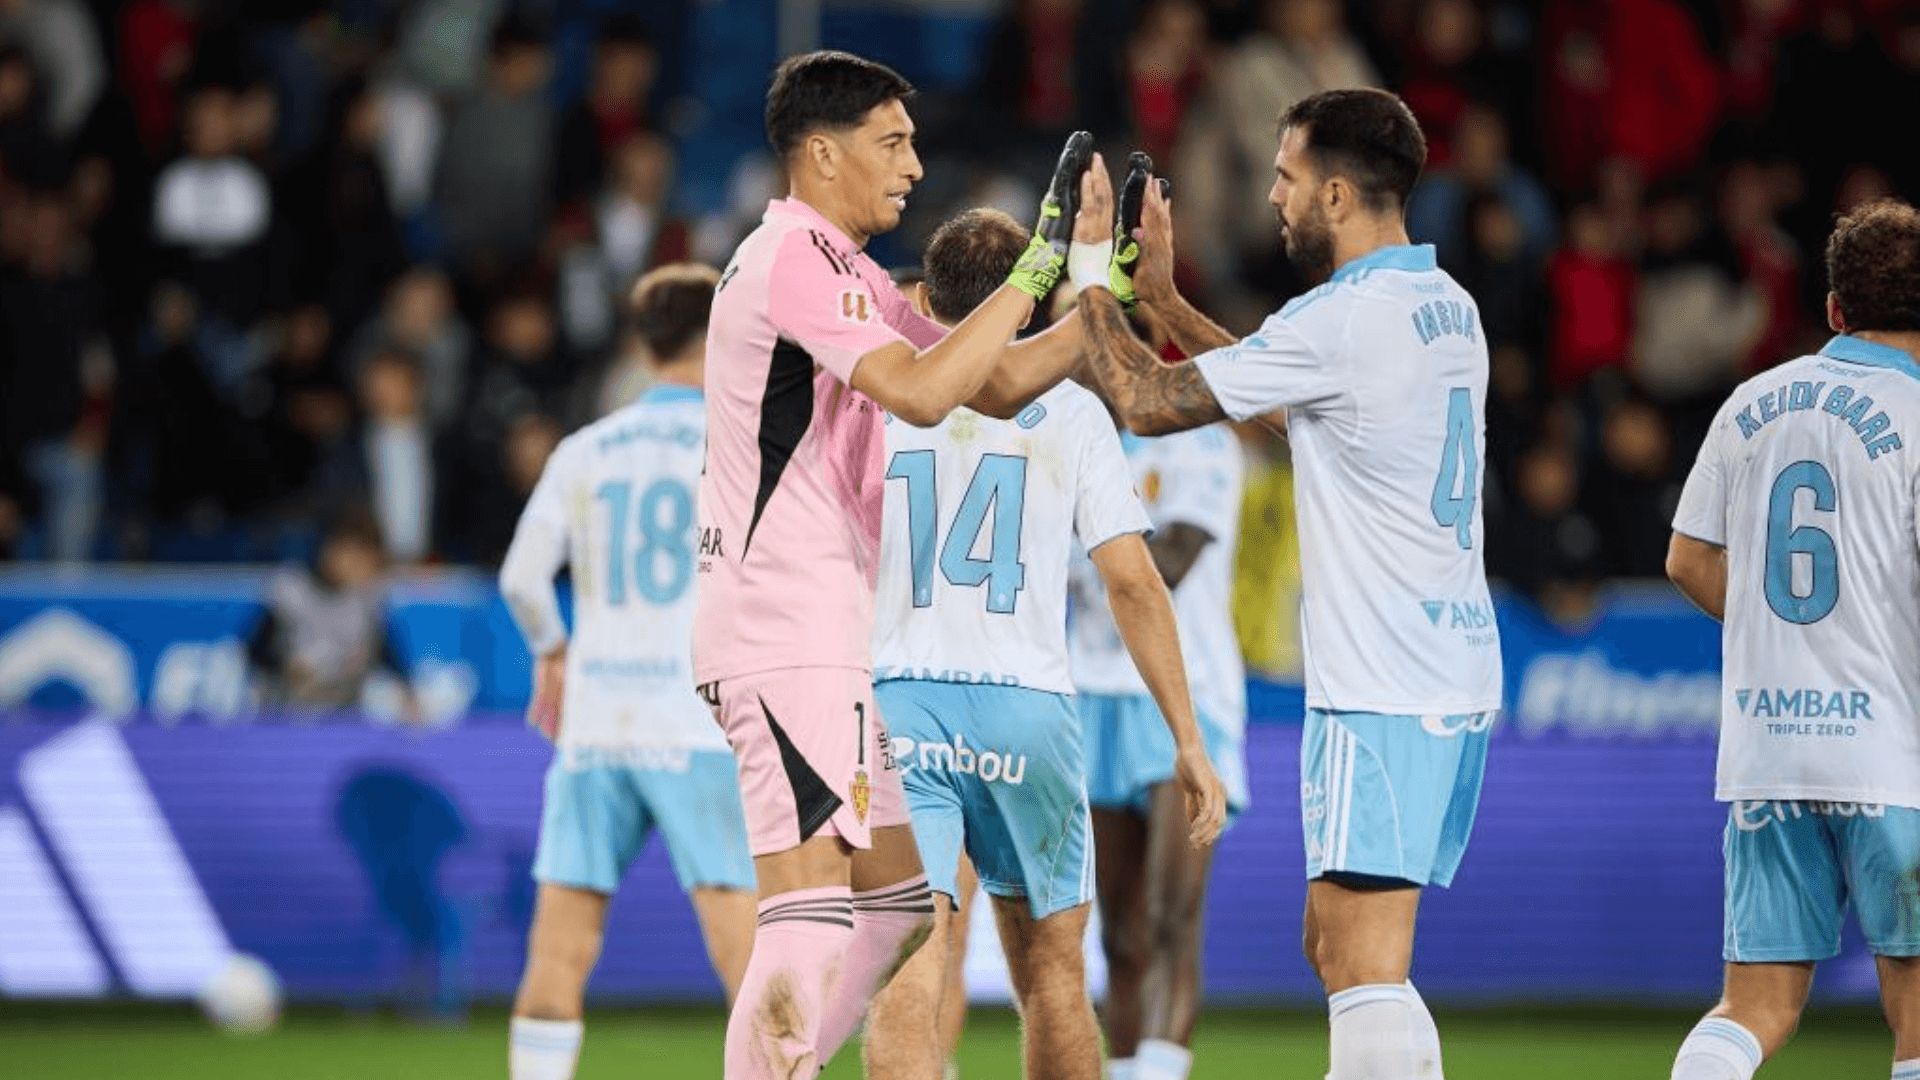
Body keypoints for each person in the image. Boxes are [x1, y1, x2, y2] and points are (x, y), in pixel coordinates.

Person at [1068, 88, 1503, 1079]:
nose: (1272, 196)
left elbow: (1140, 397)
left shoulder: (1341, 319)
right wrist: (1171, 306)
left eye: (1287, 177)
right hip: (1451, 667)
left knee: (1358, 960)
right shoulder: (1446, 307)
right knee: (1340, 946)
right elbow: (1300, 406)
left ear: (1338, 193)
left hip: (1380, 685)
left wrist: (1094, 273)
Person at [694, 50, 1095, 1080]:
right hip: (785, 625)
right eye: (893, 142)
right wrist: (1032, 274)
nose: (914, 164)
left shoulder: (850, 273)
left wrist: (1095, 305)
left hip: (830, 632)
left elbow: (987, 381)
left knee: (903, 904)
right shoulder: (793, 260)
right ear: (821, 154)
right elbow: (920, 396)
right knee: (808, 913)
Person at [864, 207, 1226, 1080]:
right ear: (1024, 308)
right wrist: (1186, 737)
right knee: (1056, 973)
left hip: (896, 701)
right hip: (1027, 708)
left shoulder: (872, 399)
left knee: (911, 956)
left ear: (922, 296)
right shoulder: (1072, 415)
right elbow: (1135, 582)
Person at [1664, 199, 1920, 1080]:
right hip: (1894, 753)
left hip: (1771, 747)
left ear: (1836, 309)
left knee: (1756, 1005)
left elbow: (1688, 558)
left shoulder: (1751, 403)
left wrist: (1781, 635)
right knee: (1917, 1007)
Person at [499, 265, 755, 1080]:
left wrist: (552, 650)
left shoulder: (585, 448)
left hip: (599, 721)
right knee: (745, 954)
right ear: (718, 338)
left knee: (560, 949)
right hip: (698, 723)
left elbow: (520, 580)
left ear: (644, 347)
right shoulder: (740, 442)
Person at [1068, 414, 1247, 1080]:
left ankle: (1163, 1072)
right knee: (1118, 930)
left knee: (1173, 910)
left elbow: (1168, 563)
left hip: (1184, 694)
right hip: (1092, 693)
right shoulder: (1063, 431)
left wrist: (1086, 541)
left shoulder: (1199, 441)